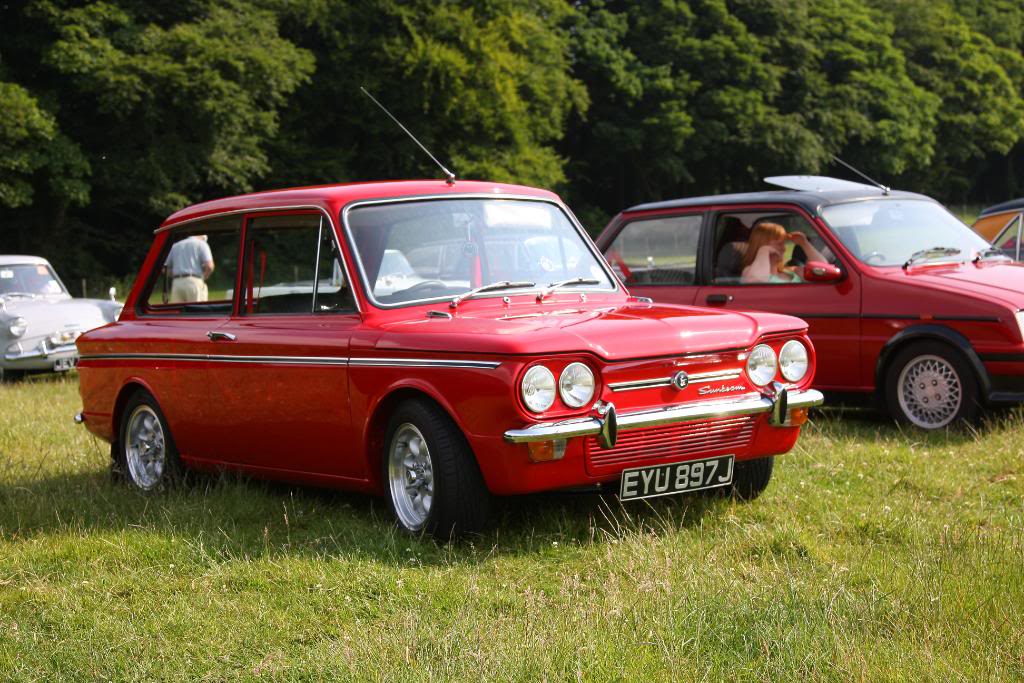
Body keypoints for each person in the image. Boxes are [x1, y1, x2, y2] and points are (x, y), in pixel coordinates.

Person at [740, 222, 828, 284]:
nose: (784, 248)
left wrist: (804, 244)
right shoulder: (749, 271)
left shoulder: (794, 271)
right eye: (779, 244)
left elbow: (825, 271)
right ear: (763, 244)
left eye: (784, 243)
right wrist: (763, 251)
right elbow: (756, 282)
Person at [164, 234, 214, 303]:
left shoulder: (175, 246)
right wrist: (204, 277)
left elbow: (165, 268)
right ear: (203, 237)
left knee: (178, 311)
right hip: (193, 281)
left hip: (177, 283)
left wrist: (174, 275)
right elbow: (209, 266)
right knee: (196, 311)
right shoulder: (202, 244)